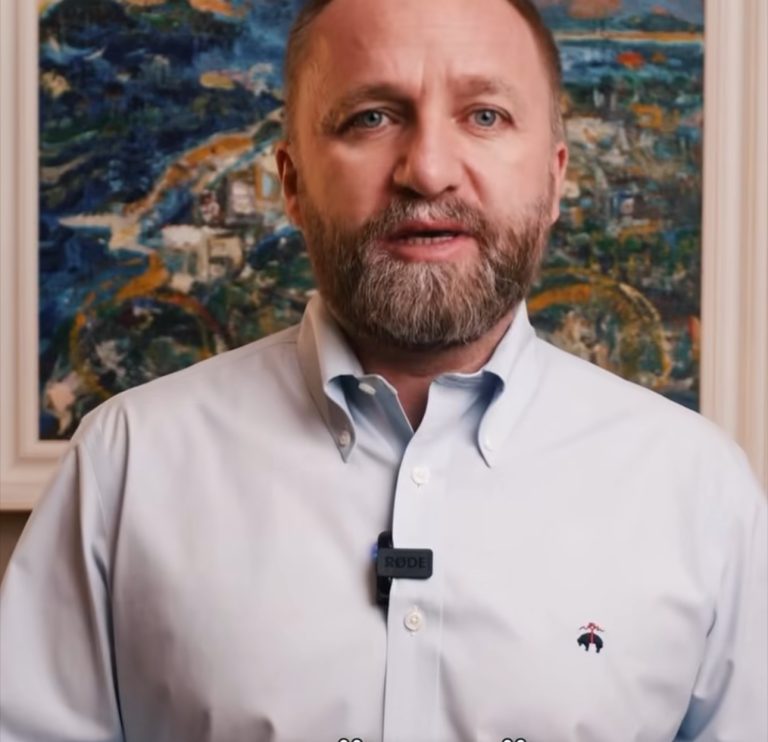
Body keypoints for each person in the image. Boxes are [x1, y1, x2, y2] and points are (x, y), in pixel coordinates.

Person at [1, 0, 766, 740]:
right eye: (372, 117)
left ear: (554, 178)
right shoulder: (126, 465)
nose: (428, 171)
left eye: (485, 116)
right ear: (292, 182)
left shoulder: (700, 492)